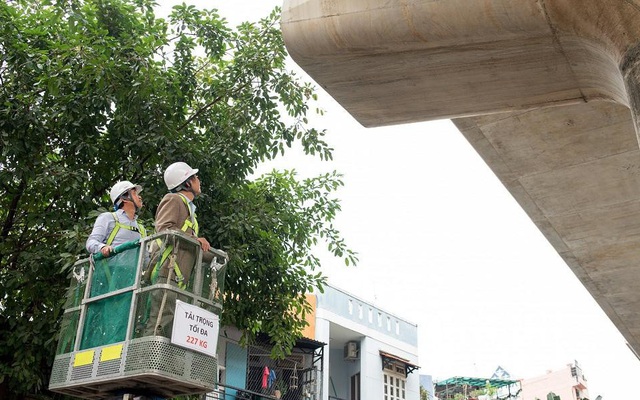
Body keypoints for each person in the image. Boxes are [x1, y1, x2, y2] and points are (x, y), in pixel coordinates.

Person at [143, 162, 211, 336]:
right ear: (187, 183)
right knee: (159, 322)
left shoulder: (189, 211)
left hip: (177, 277)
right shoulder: (173, 199)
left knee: (169, 326)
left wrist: (213, 256)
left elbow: (187, 246)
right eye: (195, 177)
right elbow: (164, 229)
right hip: (167, 272)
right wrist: (196, 240)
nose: (199, 180)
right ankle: (145, 361)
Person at [86, 180, 146, 255]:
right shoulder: (108, 218)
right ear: (124, 198)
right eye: (134, 193)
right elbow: (91, 243)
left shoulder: (141, 229)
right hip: (111, 266)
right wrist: (102, 247)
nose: (139, 197)